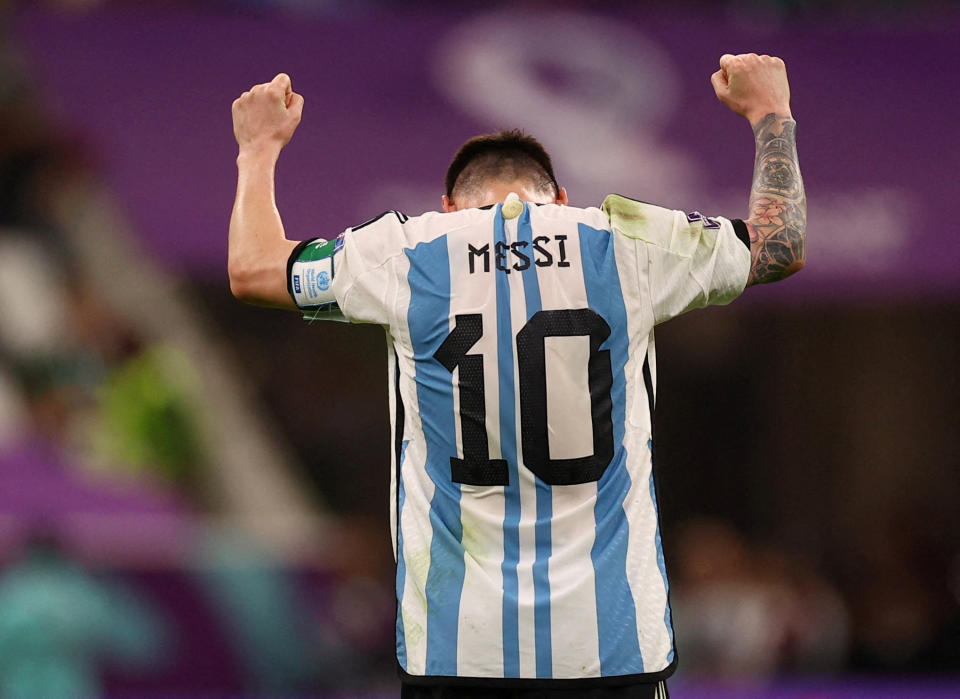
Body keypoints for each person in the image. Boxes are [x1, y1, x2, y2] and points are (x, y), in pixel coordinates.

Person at [228, 53, 805, 697]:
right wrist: (769, 112)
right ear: (561, 199)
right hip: (612, 649)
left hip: (458, 652)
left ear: (448, 207)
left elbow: (252, 270)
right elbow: (779, 246)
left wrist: (259, 148)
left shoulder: (406, 251)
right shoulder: (625, 241)